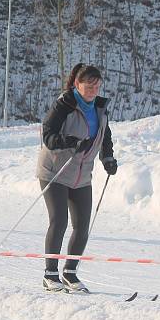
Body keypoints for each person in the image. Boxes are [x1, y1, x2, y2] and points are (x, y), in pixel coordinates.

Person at [35, 63, 118, 293]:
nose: (93, 91)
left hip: (82, 175)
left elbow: (105, 135)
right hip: (56, 171)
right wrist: (72, 142)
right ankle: (50, 274)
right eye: (88, 86)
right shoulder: (64, 105)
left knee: (82, 226)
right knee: (59, 220)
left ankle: (70, 273)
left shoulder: (100, 108)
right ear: (77, 85)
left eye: (97, 86)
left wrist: (108, 157)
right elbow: (49, 136)